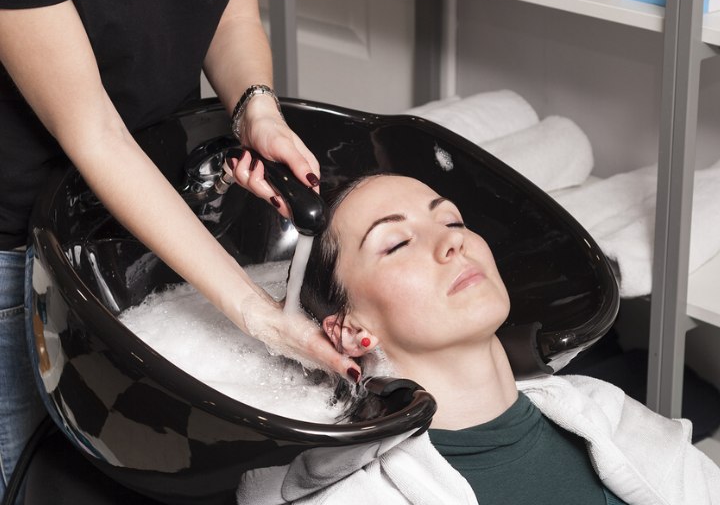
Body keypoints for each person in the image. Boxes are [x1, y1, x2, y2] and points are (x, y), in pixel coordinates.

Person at [0, 0, 361, 497]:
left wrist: (256, 110)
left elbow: (230, 20)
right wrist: (254, 310)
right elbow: (96, 133)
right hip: (20, 239)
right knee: (41, 479)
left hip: (154, 211)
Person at [237, 174, 720, 504]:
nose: (454, 241)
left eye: (452, 220)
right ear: (350, 331)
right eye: (398, 243)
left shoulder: (610, 417)